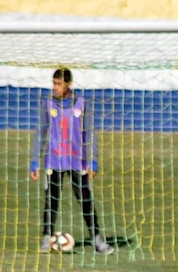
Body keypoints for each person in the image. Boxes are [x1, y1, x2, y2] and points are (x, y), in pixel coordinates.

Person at [30, 67, 115, 255]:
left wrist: (93, 161)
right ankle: (46, 238)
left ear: (68, 84)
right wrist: (35, 161)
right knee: (51, 201)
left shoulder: (82, 104)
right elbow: (40, 133)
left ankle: (98, 240)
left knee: (85, 200)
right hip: (54, 160)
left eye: (59, 84)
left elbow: (90, 133)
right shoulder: (48, 104)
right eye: (54, 84)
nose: (55, 88)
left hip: (78, 161)